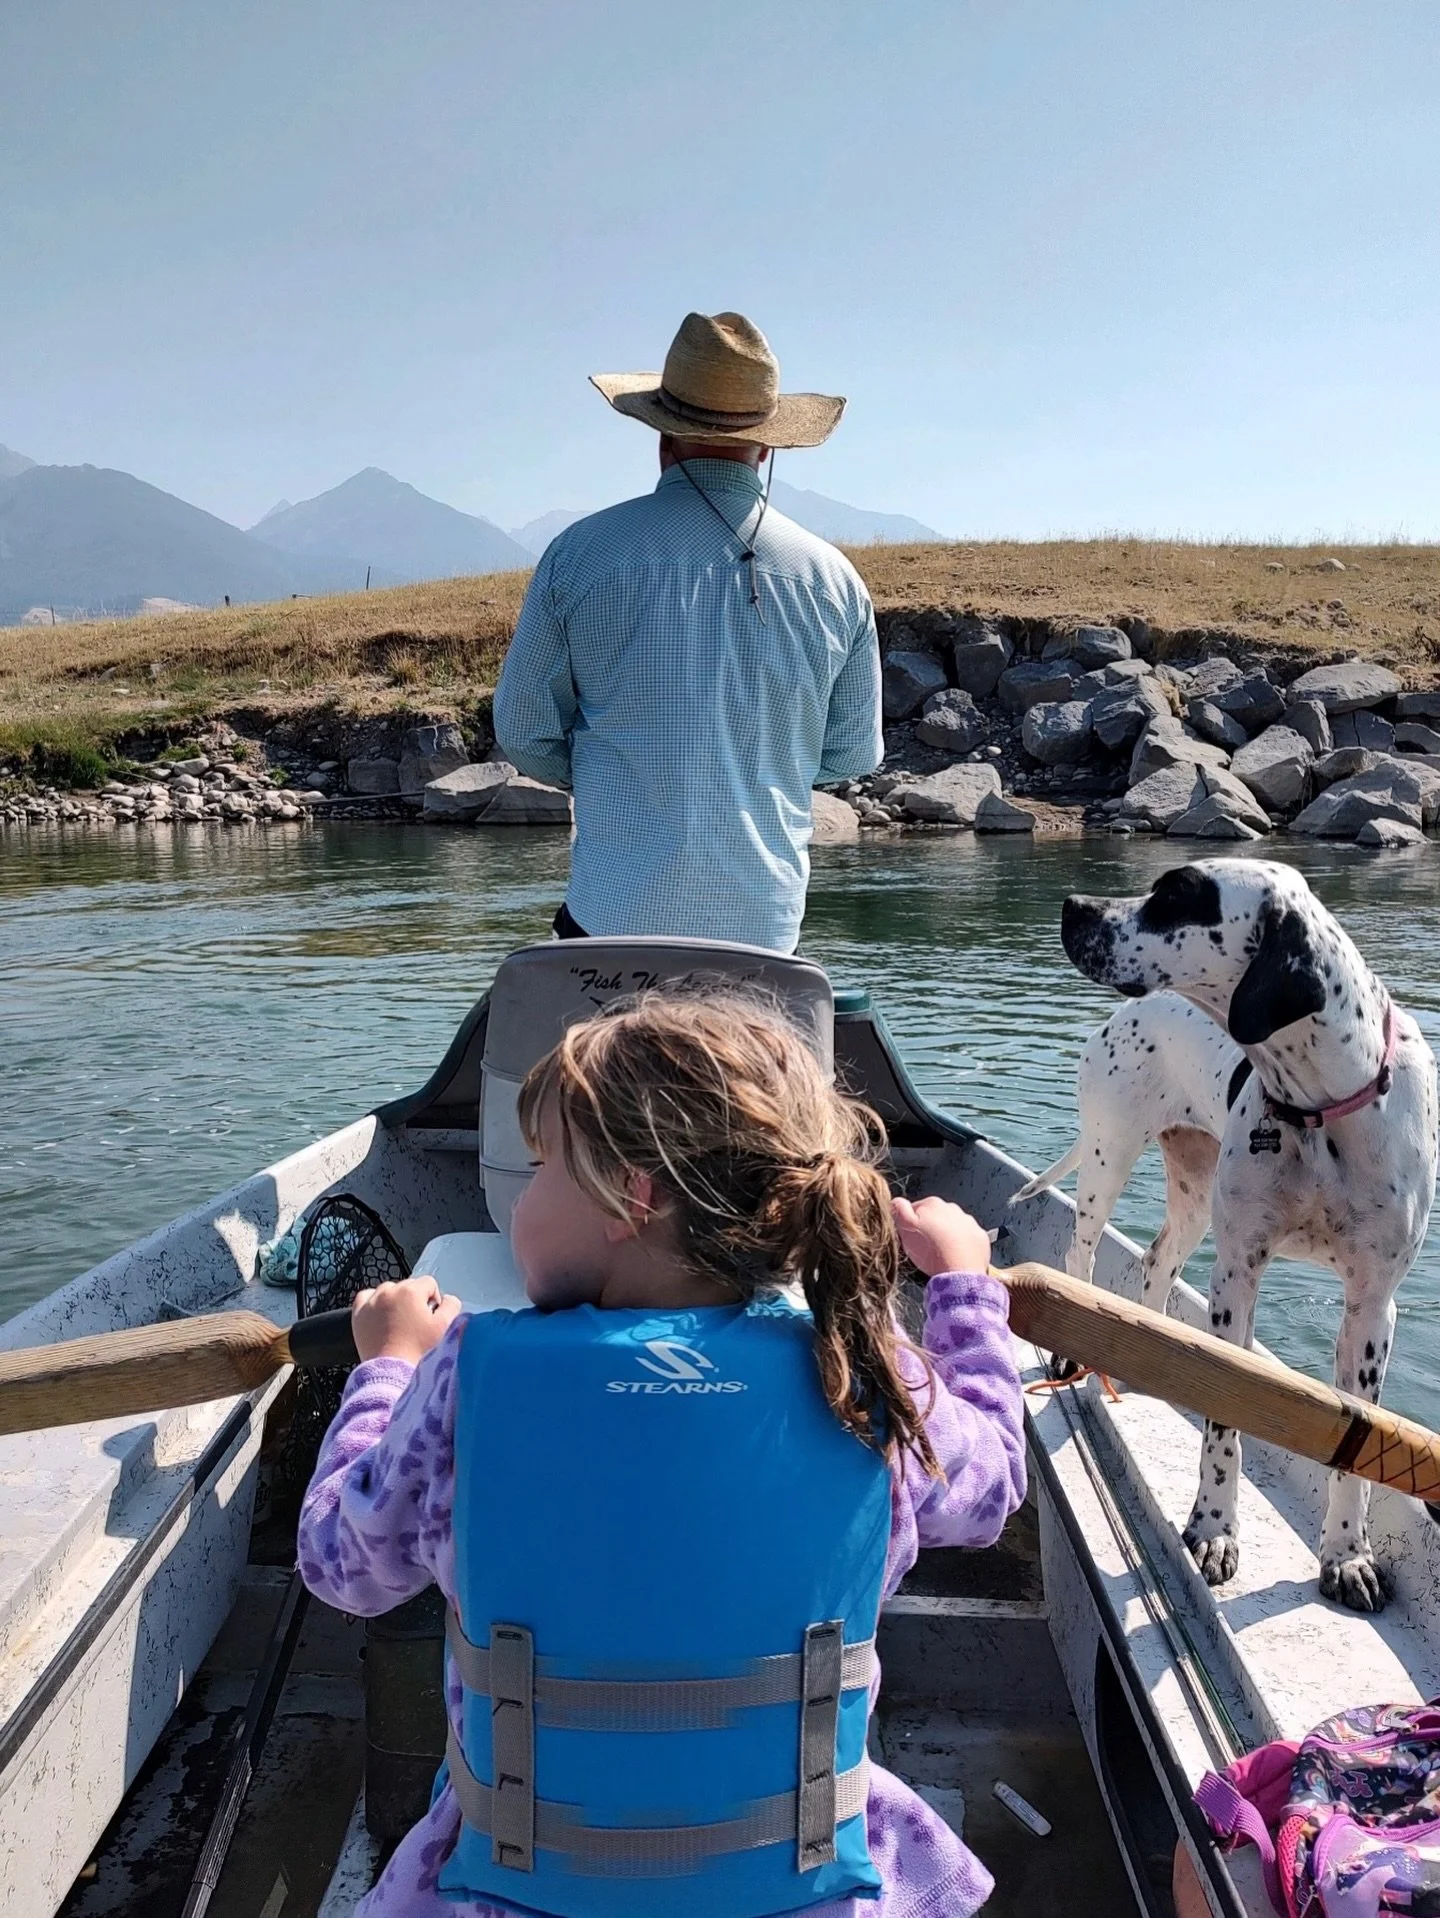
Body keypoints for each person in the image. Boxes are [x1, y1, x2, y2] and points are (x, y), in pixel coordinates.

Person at [298, 991, 1025, 1918]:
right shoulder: (864, 1367)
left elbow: (337, 1565)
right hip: (800, 1893)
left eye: (540, 1165)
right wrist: (965, 1288)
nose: (522, 1200)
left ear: (628, 1196)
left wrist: (388, 1372)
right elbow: (994, 1485)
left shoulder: (462, 1381)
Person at [492, 311, 883, 954]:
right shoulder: (836, 580)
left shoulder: (578, 555)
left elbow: (525, 732)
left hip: (610, 921)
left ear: (660, 435)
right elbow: (849, 755)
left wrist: (610, 772)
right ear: (768, 445)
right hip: (766, 932)